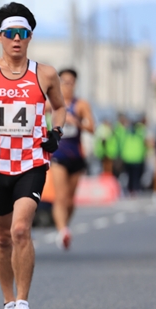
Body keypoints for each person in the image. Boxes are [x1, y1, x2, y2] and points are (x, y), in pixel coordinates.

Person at [0, 2, 66, 309]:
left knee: (21, 229)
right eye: (10, 33)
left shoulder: (45, 73)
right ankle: (8, 304)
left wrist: (56, 132)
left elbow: (60, 107)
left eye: (22, 34)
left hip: (32, 161)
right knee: (1, 237)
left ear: (29, 37)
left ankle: (23, 304)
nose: (16, 39)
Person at [49, 68, 94, 250]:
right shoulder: (50, 103)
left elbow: (92, 128)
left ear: (75, 84)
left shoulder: (80, 105)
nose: (67, 86)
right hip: (58, 154)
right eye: (64, 82)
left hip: (75, 155)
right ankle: (62, 231)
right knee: (60, 197)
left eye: (70, 82)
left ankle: (64, 225)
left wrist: (77, 122)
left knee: (70, 200)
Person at [121, 116, 148, 195]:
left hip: (128, 157)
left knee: (129, 176)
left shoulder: (126, 132)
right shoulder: (141, 132)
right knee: (136, 176)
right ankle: (135, 189)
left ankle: (130, 189)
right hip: (137, 158)